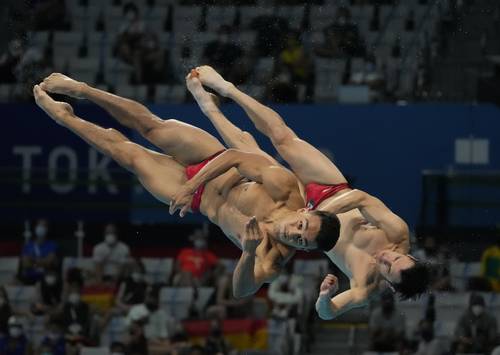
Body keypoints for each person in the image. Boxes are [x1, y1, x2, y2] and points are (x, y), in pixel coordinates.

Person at [34, 73, 341, 298]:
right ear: (305, 210)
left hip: (198, 201)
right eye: (302, 226)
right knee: (150, 126)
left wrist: (248, 253)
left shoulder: (272, 258)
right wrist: (192, 183)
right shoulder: (285, 187)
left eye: (301, 241)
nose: (294, 233)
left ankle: (66, 118)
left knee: (126, 153)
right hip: (210, 160)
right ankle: (83, 90)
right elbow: (235, 156)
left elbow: (242, 290)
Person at [193, 65, 432, 315]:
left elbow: (327, 313)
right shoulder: (397, 233)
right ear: (411, 257)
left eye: (387, 267)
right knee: (283, 137)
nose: (385, 257)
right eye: (395, 258)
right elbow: (361, 198)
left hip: (305, 223)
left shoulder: (364, 287)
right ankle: (227, 88)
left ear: (391, 286)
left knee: (254, 156)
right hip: (330, 190)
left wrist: (325, 298)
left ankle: (210, 109)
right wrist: (316, 213)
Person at [20, 218, 59, 284]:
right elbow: (25, 264)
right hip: (30, 276)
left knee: (51, 280)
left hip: (46, 275)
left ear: (47, 229)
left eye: (44, 226)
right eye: (39, 225)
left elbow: (49, 262)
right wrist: (42, 262)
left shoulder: (52, 245)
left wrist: (32, 260)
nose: (41, 228)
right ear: (35, 227)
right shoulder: (28, 245)